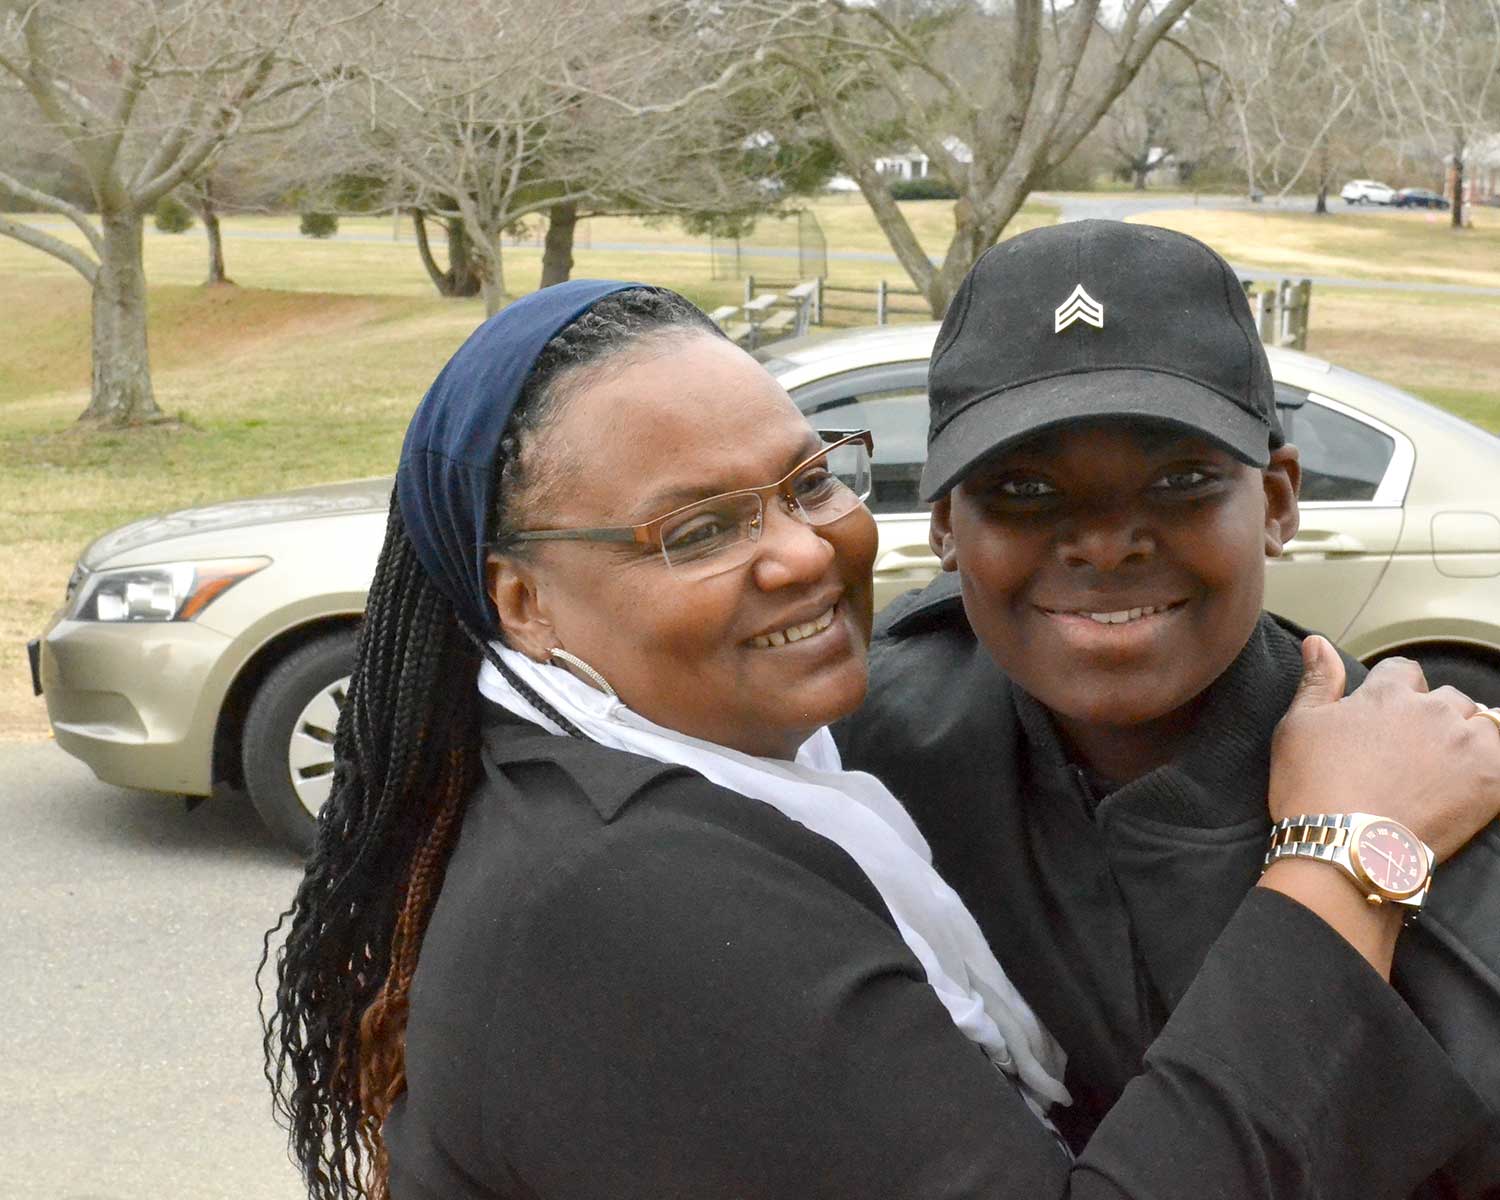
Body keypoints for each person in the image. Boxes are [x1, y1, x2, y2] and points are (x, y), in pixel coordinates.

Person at [264, 279, 1500, 1200]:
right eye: (696, 530)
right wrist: (1345, 857)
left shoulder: (798, 763)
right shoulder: (629, 887)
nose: (801, 551)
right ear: (522, 602)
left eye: (809, 482)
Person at [835, 220, 1500, 1196]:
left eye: (1181, 479)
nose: (1105, 543)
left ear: (1277, 501)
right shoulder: (866, 768)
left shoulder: (1452, 834)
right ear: (943, 528)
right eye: (1022, 488)